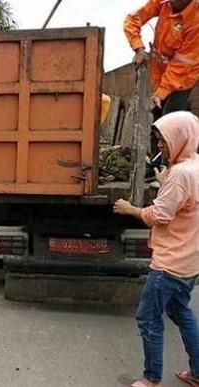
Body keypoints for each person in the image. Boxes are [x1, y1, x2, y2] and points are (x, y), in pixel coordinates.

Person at [114, 111, 199, 387]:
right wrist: (166, 183)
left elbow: (160, 216)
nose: (160, 145)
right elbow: (185, 202)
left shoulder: (180, 175)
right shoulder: (193, 166)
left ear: (181, 138)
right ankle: (197, 373)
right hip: (189, 262)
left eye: (164, 140)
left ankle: (151, 378)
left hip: (169, 264)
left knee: (148, 318)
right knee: (180, 312)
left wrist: (130, 209)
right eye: (159, 140)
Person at [125, 0, 198, 117]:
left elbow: (180, 68)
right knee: (157, 117)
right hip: (159, 74)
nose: (170, 3)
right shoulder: (165, 2)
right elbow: (132, 19)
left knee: (169, 119)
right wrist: (139, 49)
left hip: (183, 78)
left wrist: (160, 93)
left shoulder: (196, 22)